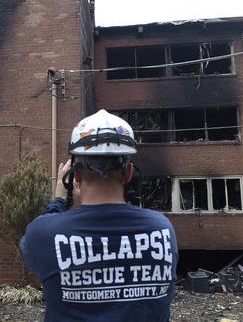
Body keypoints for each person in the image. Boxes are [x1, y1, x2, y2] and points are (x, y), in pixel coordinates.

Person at [20, 109, 178, 321]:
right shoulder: (162, 228)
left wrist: (58, 201)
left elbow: (32, 256)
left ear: (76, 175)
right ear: (129, 173)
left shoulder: (43, 233)